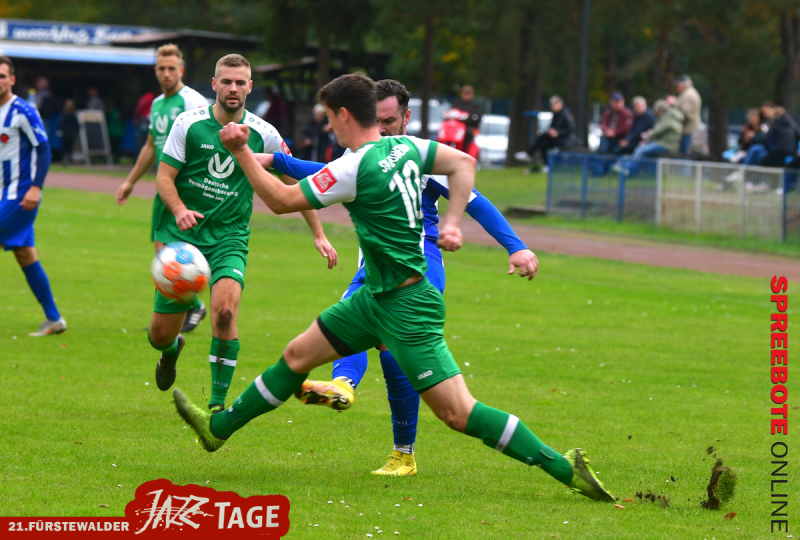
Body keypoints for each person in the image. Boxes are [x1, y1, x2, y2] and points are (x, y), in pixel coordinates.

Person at [172, 73, 615, 503]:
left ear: (345, 115)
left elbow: (281, 200)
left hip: (406, 306)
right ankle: (219, 429)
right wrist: (454, 223)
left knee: (458, 413)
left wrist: (242, 152)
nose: (328, 125)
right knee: (295, 356)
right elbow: (464, 163)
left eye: (329, 117)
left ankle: (563, 466)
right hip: (374, 298)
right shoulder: (403, 147)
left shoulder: (355, 166)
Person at [260, 79, 537, 476]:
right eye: (378, 118)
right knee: (357, 328)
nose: (383, 126)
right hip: (374, 263)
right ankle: (361, 407)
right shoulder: (358, 152)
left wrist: (516, 246)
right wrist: (278, 161)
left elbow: (477, 199)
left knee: (382, 345)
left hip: (418, 263)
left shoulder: (418, 156)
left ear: (406, 117)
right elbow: (325, 173)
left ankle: (394, 443)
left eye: (390, 119)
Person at [149, 53, 337, 413]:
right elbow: (164, 178)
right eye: (227, 81)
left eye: (240, 82)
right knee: (159, 335)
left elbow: (297, 184)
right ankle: (171, 351)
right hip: (184, 242)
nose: (233, 88)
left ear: (249, 87)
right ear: (215, 85)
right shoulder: (187, 125)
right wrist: (179, 210)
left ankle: (217, 407)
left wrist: (319, 234)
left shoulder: (265, 133)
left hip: (229, 238)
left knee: (223, 313)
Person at [115, 44, 211, 333]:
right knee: (163, 255)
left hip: (186, 191)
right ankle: (190, 308)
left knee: (177, 254)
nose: (166, 73)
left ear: (181, 70)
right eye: (161, 68)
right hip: (163, 190)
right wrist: (130, 182)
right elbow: (149, 146)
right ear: (155, 71)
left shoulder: (191, 101)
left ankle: (190, 310)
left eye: (172, 68)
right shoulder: (157, 104)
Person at [0, 56, 66, 336]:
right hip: (5, 195)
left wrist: (36, 188)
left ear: (12, 79)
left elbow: (44, 149)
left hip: (19, 196)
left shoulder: (22, 111)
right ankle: (53, 319)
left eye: (2, 75)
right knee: (26, 256)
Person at [618, 100, 683, 175]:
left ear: (661, 111)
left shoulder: (669, 118)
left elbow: (658, 131)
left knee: (641, 150)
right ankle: (633, 170)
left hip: (667, 145)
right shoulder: (670, 117)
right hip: (665, 143)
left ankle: (628, 169)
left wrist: (647, 135)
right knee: (641, 150)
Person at [515, 95, 576, 171]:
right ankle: (545, 164)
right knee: (543, 141)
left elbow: (570, 129)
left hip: (565, 140)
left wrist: (558, 133)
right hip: (557, 138)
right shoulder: (556, 114)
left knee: (543, 139)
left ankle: (530, 154)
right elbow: (553, 127)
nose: (552, 106)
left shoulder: (565, 114)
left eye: (554, 104)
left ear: (560, 104)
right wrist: (551, 131)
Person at [674, 75, 702, 154]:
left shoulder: (688, 95)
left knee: (685, 156)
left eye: (678, 85)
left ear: (683, 84)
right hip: (687, 131)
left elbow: (686, 114)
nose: (677, 87)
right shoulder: (687, 93)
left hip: (688, 131)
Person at [451, 85, 483, 154]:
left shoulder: (475, 106)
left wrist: (465, 119)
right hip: (455, 129)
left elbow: (476, 119)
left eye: (468, 94)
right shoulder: (457, 104)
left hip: (468, 130)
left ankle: (464, 152)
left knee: (467, 134)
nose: (466, 95)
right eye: (465, 93)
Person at [56, 99, 79, 165]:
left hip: (66, 133)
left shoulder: (64, 115)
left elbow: (61, 124)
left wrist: (59, 130)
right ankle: (68, 160)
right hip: (71, 134)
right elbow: (77, 125)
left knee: (65, 148)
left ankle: (65, 160)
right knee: (70, 148)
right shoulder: (74, 115)